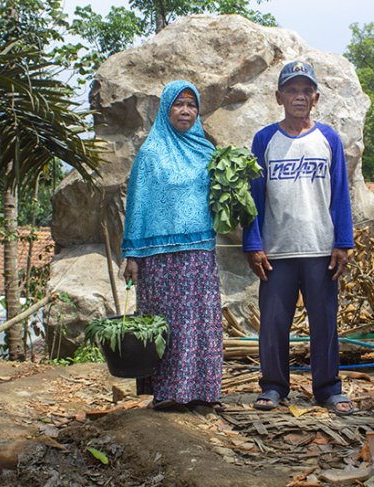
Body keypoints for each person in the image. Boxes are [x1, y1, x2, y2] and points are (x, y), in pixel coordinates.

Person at [242, 61, 355, 414]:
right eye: (292, 90)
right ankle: (274, 386)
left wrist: (343, 241)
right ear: (279, 96)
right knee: (274, 323)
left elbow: (340, 194)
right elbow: (252, 198)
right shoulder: (264, 140)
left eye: (306, 90)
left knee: (325, 322)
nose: (299, 96)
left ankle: (328, 388)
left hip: (320, 248)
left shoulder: (328, 139)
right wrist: (253, 243)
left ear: (316, 97)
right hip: (277, 251)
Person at [122, 80, 222, 411]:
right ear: (166, 109)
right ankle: (167, 393)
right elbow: (137, 203)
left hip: (198, 252)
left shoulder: (207, 153)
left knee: (198, 321)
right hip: (158, 257)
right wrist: (131, 254)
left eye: (191, 105)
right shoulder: (151, 153)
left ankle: (201, 392)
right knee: (165, 323)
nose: (185, 111)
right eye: (178, 104)